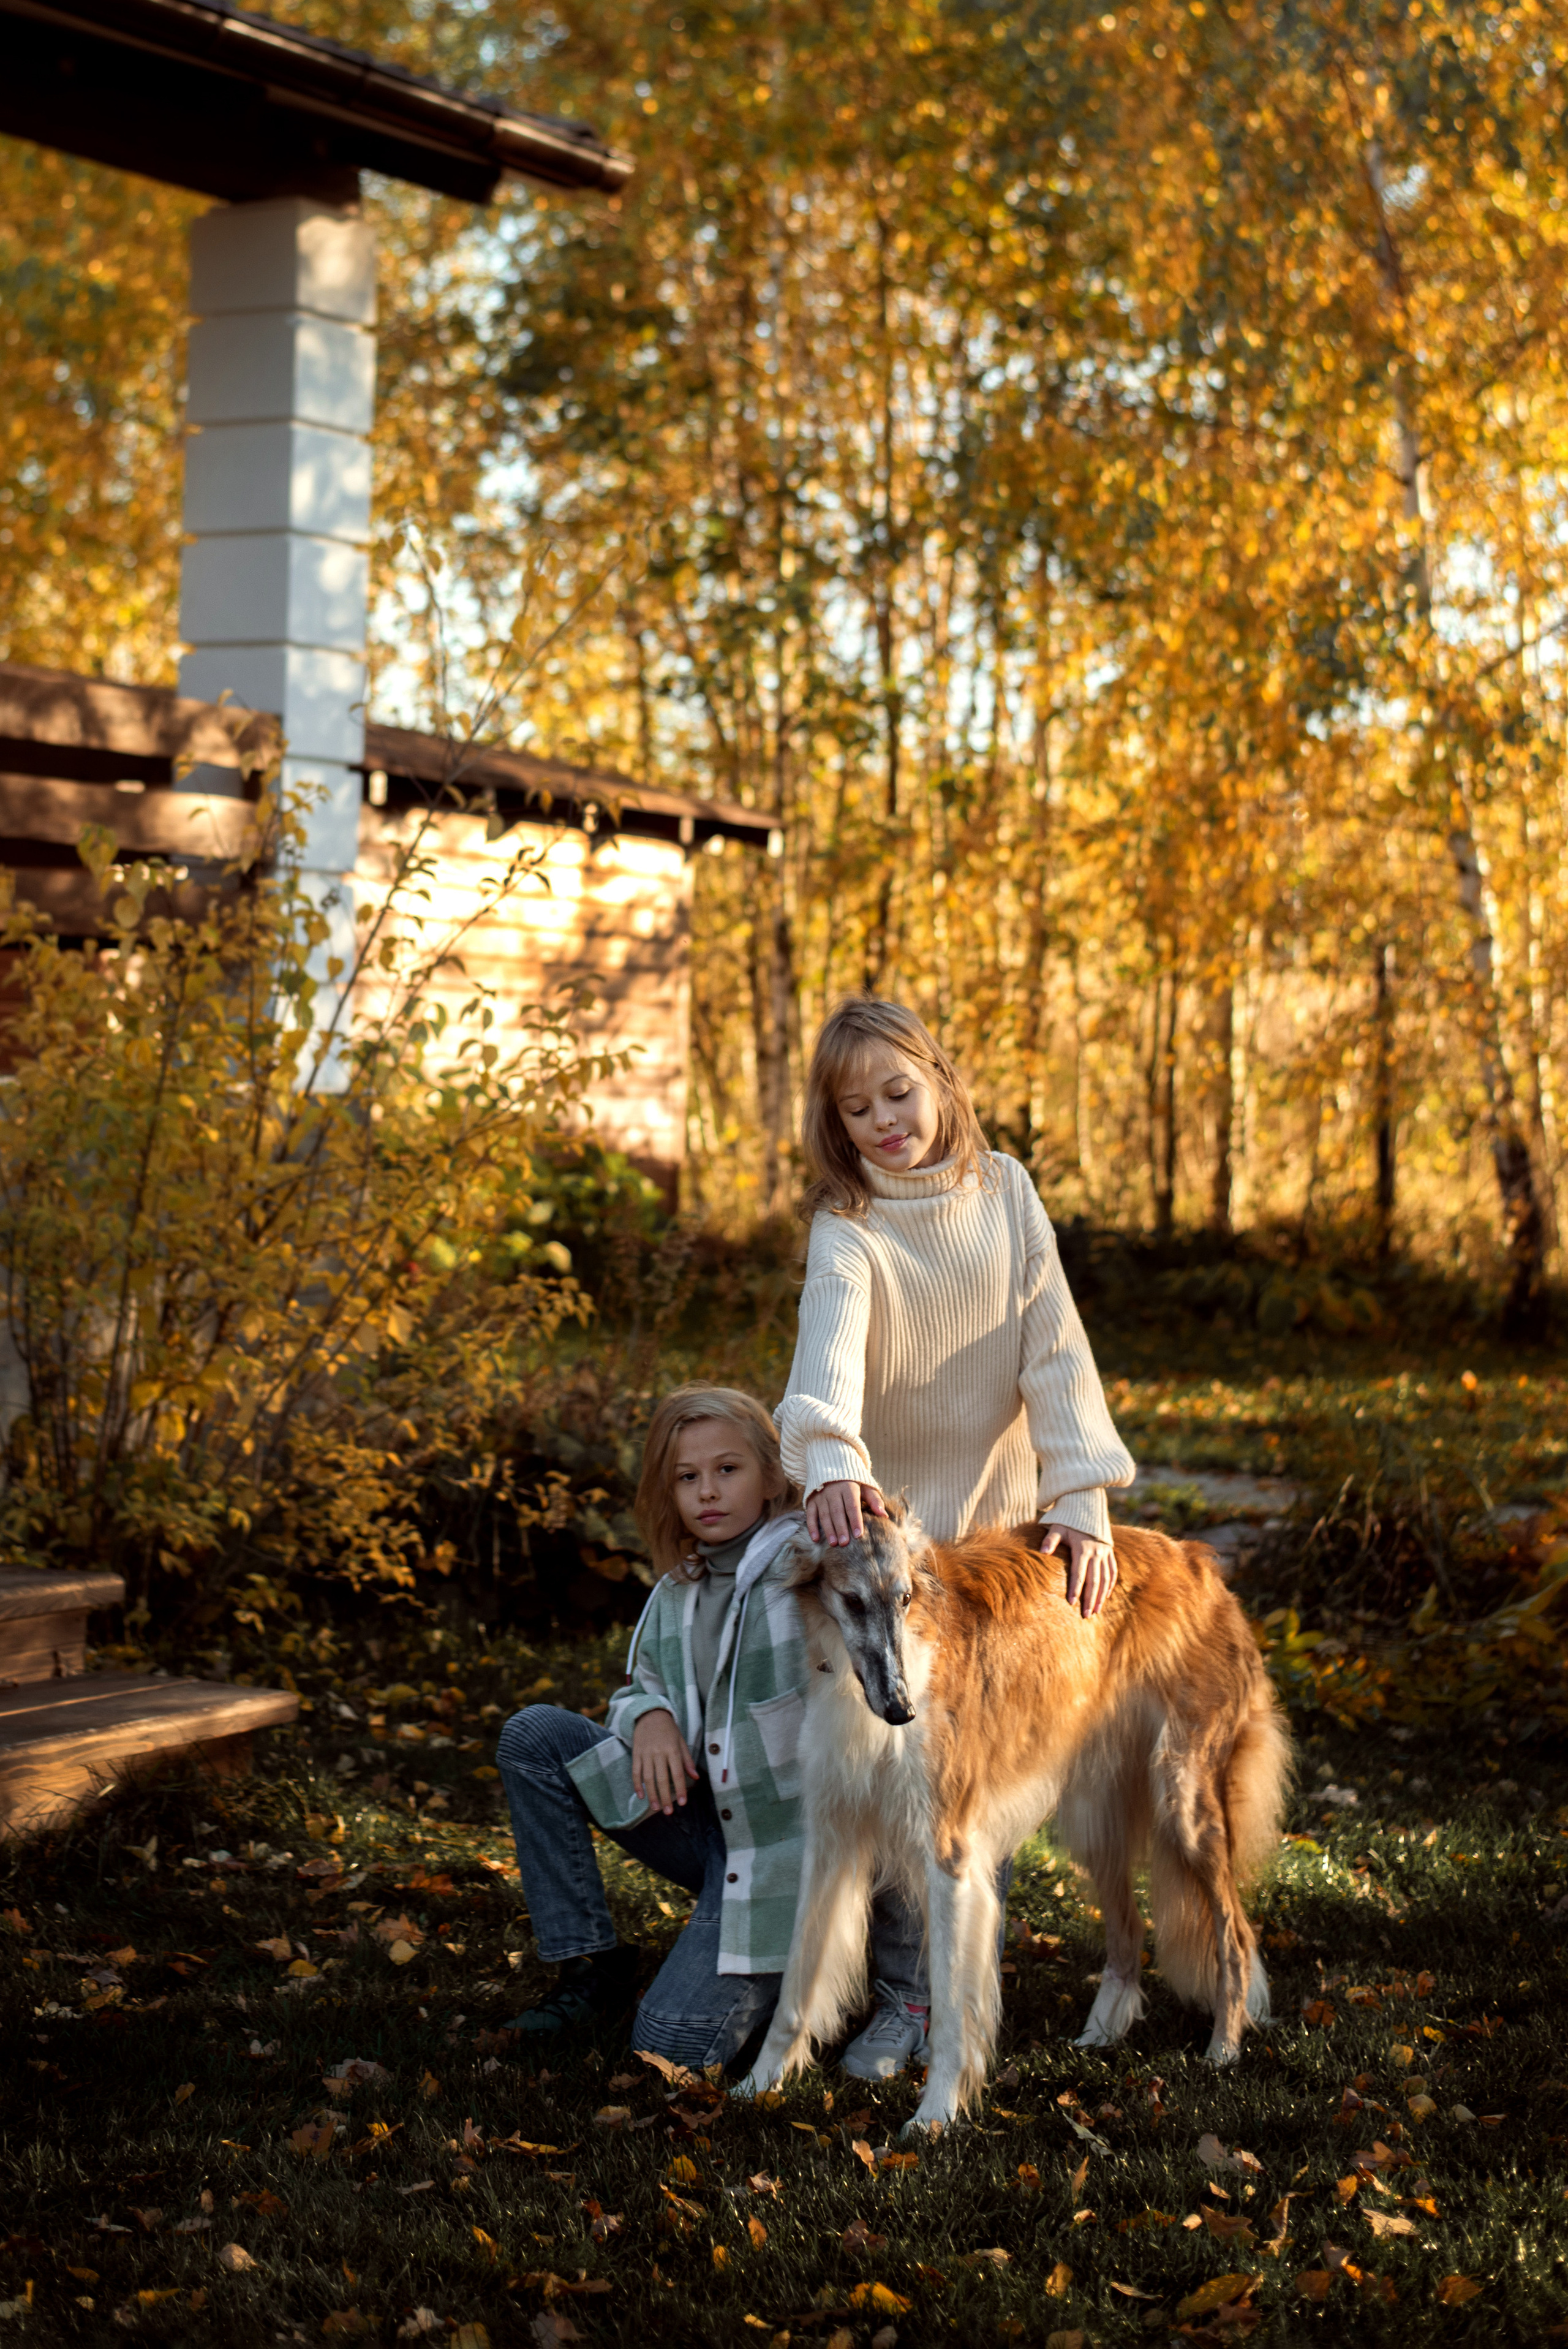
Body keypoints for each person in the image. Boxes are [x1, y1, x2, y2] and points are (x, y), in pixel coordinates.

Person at [777, 994, 1136, 2079]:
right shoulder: (849, 1228)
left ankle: (938, 1997)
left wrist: (1083, 1494)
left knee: (971, 1772)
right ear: (837, 1124)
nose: (888, 1118)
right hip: (897, 1543)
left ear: (939, 1079)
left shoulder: (1008, 1190)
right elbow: (827, 1354)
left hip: (1007, 1538)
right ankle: (899, 1993)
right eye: (860, 1106)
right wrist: (833, 1454)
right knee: (894, 1765)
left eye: (901, 1091)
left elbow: (1056, 1347)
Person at [495, 1385, 809, 2068]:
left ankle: (819, 1966)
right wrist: (652, 1716)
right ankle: (591, 1967)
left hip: (789, 1860)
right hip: (704, 1827)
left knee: (669, 2050)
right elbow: (639, 1686)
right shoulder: (678, 1589)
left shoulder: (809, 1570)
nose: (708, 1493)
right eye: (686, 1478)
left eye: (728, 1470)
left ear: (771, 1474)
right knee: (535, 1735)